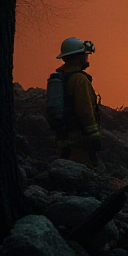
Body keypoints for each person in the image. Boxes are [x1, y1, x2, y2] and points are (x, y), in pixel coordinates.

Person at [49, 38, 101, 168]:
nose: (87, 58)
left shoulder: (60, 77)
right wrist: (94, 137)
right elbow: (85, 111)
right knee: (84, 171)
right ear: (78, 57)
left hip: (63, 140)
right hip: (79, 142)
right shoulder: (79, 79)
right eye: (85, 55)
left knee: (65, 169)